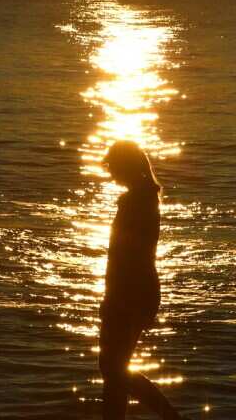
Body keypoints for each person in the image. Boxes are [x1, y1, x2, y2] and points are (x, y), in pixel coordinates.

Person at [98, 141, 184, 420]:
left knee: (113, 368)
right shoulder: (144, 198)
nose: (110, 174)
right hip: (137, 289)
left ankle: (170, 416)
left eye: (112, 167)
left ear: (125, 166)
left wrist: (113, 298)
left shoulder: (136, 202)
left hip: (129, 292)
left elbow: (126, 257)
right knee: (114, 369)